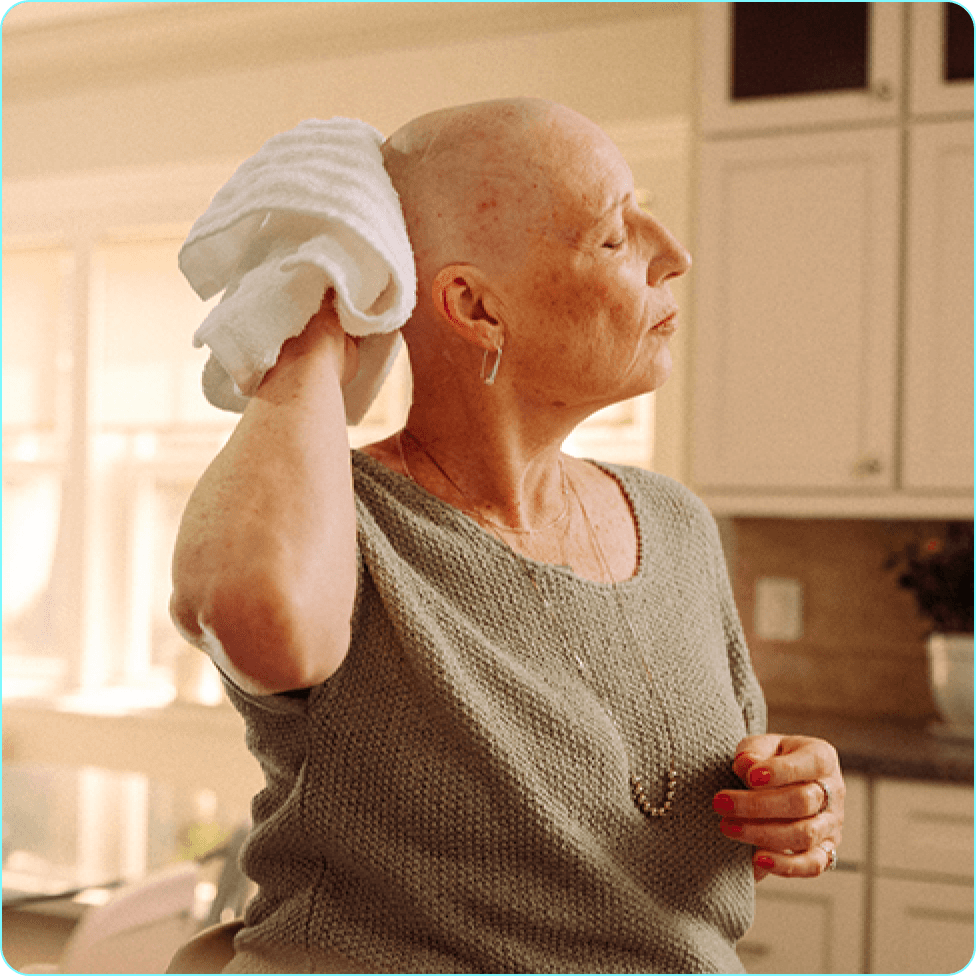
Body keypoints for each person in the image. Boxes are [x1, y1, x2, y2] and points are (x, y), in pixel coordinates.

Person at [171, 98, 845, 974]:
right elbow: (252, 611)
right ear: (475, 307)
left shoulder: (675, 525)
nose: (673, 255)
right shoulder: (347, 526)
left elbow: (683, 808)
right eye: (613, 236)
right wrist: (313, 314)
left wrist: (798, 793)